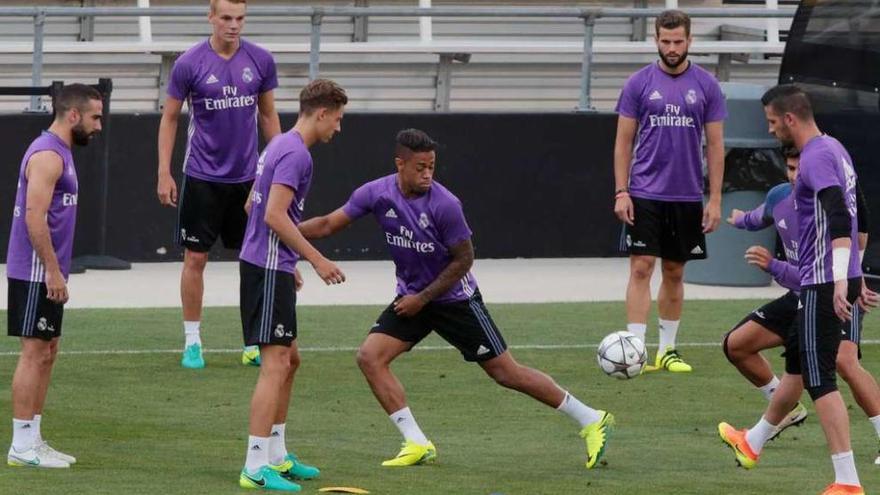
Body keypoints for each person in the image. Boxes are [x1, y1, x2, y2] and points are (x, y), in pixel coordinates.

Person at [298, 129, 614, 470]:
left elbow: (464, 260)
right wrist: (282, 229)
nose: (427, 174)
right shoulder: (376, 192)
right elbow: (329, 223)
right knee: (370, 357)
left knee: (507, 373)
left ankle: (591, 418)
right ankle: (416, 442)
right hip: (412, 299)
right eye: (420, 167)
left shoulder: (445, 204)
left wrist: (423, 298)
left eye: (432, 166)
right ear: (400, 164)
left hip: (455, 301)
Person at [718, 84, 870, 495]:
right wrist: (853, 275)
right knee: (798, 368)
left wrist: (841, 280)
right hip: (827, 278)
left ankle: (848, 482)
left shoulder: (817, 156)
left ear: (789, 118)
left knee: (822, 380)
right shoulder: (836, 148)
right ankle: (752, 443)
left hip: (822, 281)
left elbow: (839, 214)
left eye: (771, 122)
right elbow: (860, 214)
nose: (770, 131)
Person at [724, 148, 880, 451]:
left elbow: (821, 272)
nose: (795, 176)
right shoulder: (780, 197)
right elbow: (760, 216)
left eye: (800, 169)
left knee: (843, 362)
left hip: (831, 293)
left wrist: (773, 266)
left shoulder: (827, 209)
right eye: (791, 168)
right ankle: (779, 417)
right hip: (801, 297)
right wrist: (740, 219)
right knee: (736, 344)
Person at [156, 0, 281, 369]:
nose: (233, 25)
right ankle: (193, 342)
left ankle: (254, 343)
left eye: (240, 18)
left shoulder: (261, 60)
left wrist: (277, 168)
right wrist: (164, 171)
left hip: (248, 180)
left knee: (254, 260)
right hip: (202, 177)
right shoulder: (189, 63)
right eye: (226, 18)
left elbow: (269, 116)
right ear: (211, 17)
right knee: (195, 257)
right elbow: (169, 119)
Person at [236, 79, 348, 492]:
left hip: (269, 265)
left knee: (290, 361)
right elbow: (274, 216)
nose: (338, 128)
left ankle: (277, 456)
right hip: (265, 268)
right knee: (275, 364)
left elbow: (253, 203)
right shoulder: (296, 154)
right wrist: (314, 259)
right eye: (337, 120)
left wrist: (285, 260)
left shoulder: (278, 144)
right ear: (321, 113)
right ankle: (254, 466)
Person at [613, 9, 726, 372]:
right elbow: (623, 143)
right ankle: (635, 350)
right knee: (641, 268)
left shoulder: (707, 85)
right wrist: (621, 191)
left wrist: (715, 199)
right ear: (656, 40)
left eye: (678, 41)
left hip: (687, 195)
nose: (672, 48)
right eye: (665, 41)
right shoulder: (638, 83)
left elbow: (715, 146)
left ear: (690, 40)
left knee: (675, 271)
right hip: (645, 192)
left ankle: (667, 349)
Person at [6, 84, 103, 468]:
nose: (100, 125)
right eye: (95, 116)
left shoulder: (61, 150)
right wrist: (51, 270)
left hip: (47, 271)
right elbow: (34, 216)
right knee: (34, 353)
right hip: (35, 271)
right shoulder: (48, 154)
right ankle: (20, 446)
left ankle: (33, 437)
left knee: (48, 350)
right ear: (74, 115)